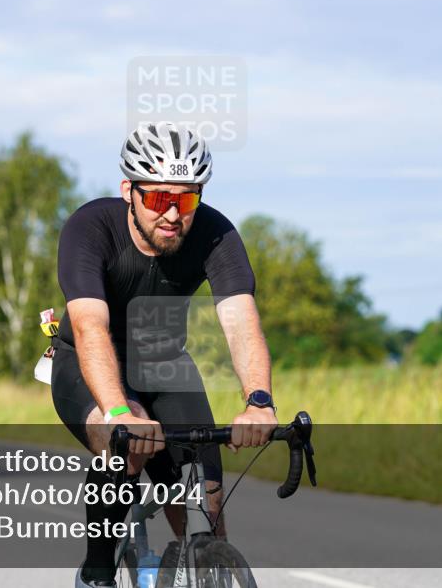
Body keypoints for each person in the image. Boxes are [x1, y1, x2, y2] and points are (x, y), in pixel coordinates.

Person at [50, 122, 278, 587]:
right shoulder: (90, 228)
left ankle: (200, 568)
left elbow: (240, 321)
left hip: (164, 363)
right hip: (87, 362)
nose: (173, 213)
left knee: (206, 496)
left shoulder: (216, 234)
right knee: (124, 450)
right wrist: (117, 410)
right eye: (158, 198)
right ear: (129, 192)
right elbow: (91, 326)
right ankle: (96, 572)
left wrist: (258, 400)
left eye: (188, 198)